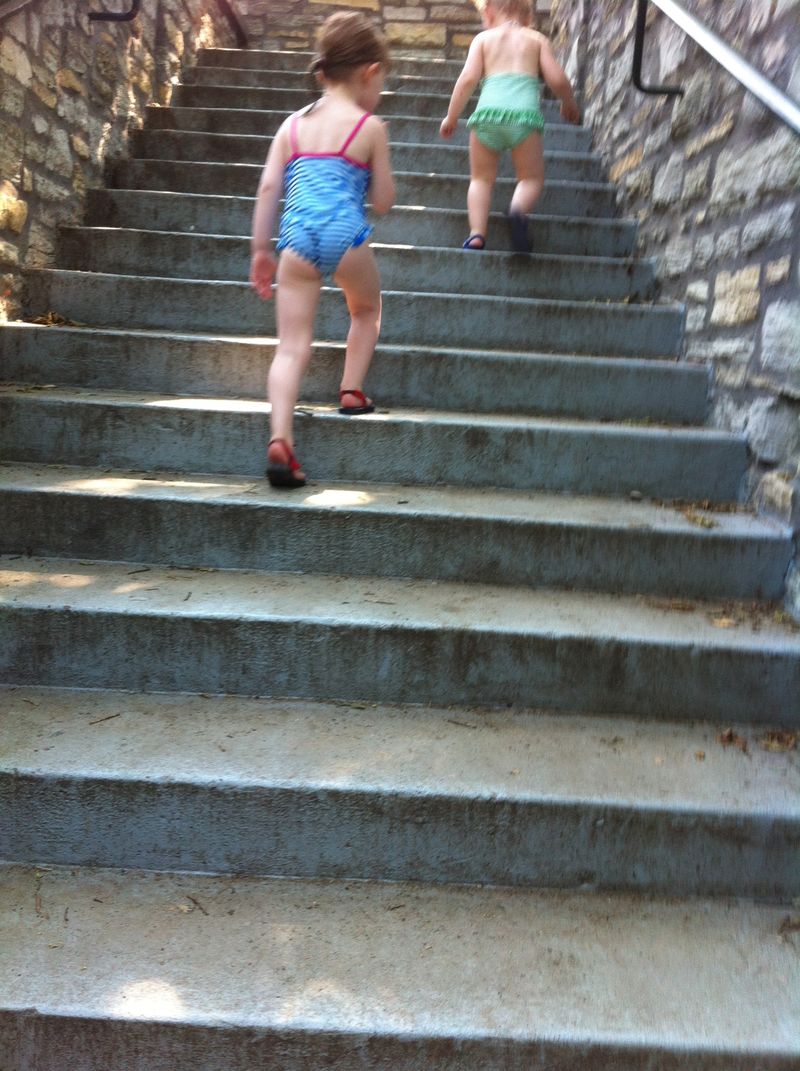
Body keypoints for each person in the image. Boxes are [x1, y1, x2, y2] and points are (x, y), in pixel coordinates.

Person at [250, 12, 395, 489]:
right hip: (345, 235)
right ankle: (351, 389)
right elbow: (383, 201)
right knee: (366, 309)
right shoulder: (370, 127)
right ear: (369, 73)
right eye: (381, 82)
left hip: (296, 241)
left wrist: (261, 251)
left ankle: (280, 439)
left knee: (291, 347)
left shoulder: (291, 126)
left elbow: (268, 187)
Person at [439, 0, 580, 252]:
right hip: (524, 118)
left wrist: (451, 116)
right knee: (530, 178)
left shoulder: (483, 40)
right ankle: (517, 211)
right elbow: (557, 79)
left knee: (480, 179)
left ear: (489, 11)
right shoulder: (536, 39)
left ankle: (477, 234)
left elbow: (468, 79)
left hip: (487, 116)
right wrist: (568, 104)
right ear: (527, 17)